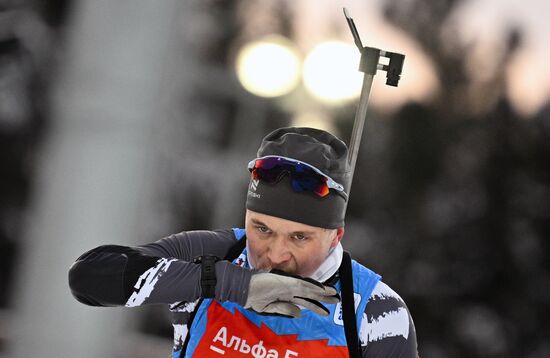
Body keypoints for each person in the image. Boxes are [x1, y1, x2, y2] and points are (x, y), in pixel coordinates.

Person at [69, 127, 418, 357]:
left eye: (300, 237)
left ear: (335, 236)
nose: (276, 254)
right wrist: (232, 284)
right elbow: (88, 278)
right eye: (262, 229)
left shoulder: (375, 310)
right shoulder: (214, 255)